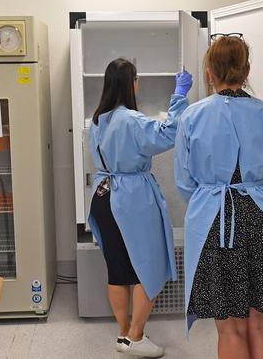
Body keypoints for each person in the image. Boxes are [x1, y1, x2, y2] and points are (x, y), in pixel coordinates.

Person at [174, 34, 263, 359]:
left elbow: (185, 183)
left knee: (230, 327)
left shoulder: (191, 117)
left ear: (209, 72)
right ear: (247, 70)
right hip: (262, 219)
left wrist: (210, 200)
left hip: (216, 222)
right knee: (260, 322)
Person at [87, 57, 192, 358]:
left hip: (104, 197)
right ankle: (136, 336)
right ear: (128, 83)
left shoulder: (98, 120)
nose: (138, 83)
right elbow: (169, 133)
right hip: (131, 199)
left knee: (118, 269)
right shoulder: (131, 120)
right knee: (149, 266)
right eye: (136, 78)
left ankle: (123, 333)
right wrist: (179, 96)